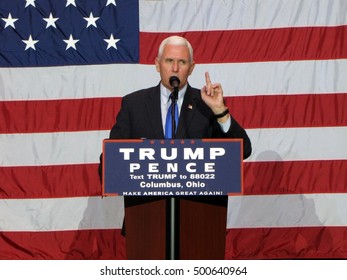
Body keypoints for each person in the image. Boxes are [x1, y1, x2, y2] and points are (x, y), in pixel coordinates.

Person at [100, 35, 252, 259]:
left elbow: (244, 149)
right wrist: (114, 175)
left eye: (182, 63)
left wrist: (220, 110)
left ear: (191, 68)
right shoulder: (133, 104)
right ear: (156, 64)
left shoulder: (206, 104)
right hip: (146, 220)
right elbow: (109, 163)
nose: (174, 68)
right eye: (169, 61)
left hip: (201, 221)